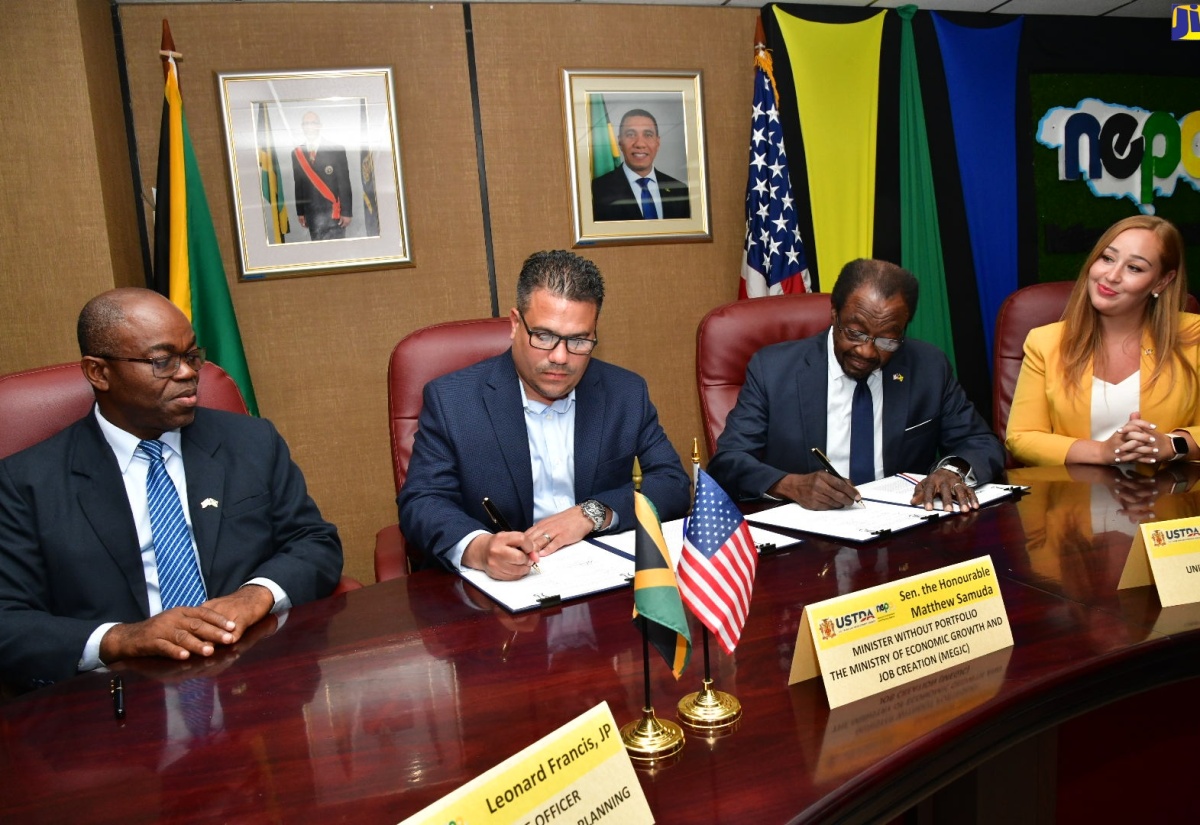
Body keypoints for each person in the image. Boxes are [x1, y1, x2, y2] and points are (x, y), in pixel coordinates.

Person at [0, 288, 342, 692]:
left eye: (192, 356)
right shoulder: (27, 482)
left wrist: (256, 595)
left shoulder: (250, 441)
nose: (187, 373)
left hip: (253, 677)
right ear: (99, 372)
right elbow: (9, 619)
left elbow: (314, 541)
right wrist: (122, 638)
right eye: (163, 361)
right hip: (118, 699)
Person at [398, 250, 690, 579]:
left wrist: (592, 513)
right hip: (499, 594)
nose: (561, 357)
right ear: (514, 324)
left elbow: (672, 485)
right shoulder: (453, 400)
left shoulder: (625, 392)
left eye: (579, 340)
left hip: (599, 581)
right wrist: (480, 548)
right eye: (545, 336)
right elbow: (422, 502)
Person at [708, 258, 1005, 511]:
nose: (867, 351)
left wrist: (950, 471)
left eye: (888, 339)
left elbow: (981, 442)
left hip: (904, 533)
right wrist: (790, 485)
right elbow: (729, 462)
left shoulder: (927, 367)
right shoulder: (773, 369)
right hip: (809, 540)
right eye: (855, 333)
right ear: (834, 313)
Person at [1006, 215, 1200, 467]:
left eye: (1135, 268)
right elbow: (1021, 437)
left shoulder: (1194, 336)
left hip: (1172, 499)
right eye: (1107, 258)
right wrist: (1103, 452)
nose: (1112, 275)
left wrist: (1172, 444)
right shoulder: (1045, 342)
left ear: (1162, 281)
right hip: (1075, 500)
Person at [591, 109, 691, 221]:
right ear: (620, 141)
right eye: (630, 134)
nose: (639, 144)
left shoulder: (680, 190)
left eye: (648, 135)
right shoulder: (597, 190)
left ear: (657, 142)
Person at [292, 111, 353, 241]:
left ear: (320, 125)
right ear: (302, 127)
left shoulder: (336, 149)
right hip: (312, 213)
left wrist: (347, 212)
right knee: (320, 252)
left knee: (337, 252)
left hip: (333, 212)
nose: (309, 126)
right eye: (306, 124)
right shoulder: (297, 153)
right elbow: (299, 185)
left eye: (313, 123)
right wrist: (301, 212)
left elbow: (344, 182)